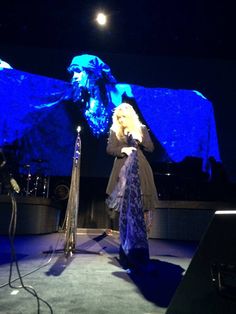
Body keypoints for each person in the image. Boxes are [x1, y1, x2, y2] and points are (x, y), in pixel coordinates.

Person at [105, 102, 158, 235]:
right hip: (122, 168)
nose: (121, 120)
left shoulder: (141, 128)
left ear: (130, 116)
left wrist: (140, 139)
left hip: (140, 167)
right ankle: (126, 235)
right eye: (119, 117)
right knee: (124, 203)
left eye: (123, 117)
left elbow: (151, 148)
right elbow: (110, 149)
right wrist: (123, 149)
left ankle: (142, 234)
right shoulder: (115, 131)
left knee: (142, 201)